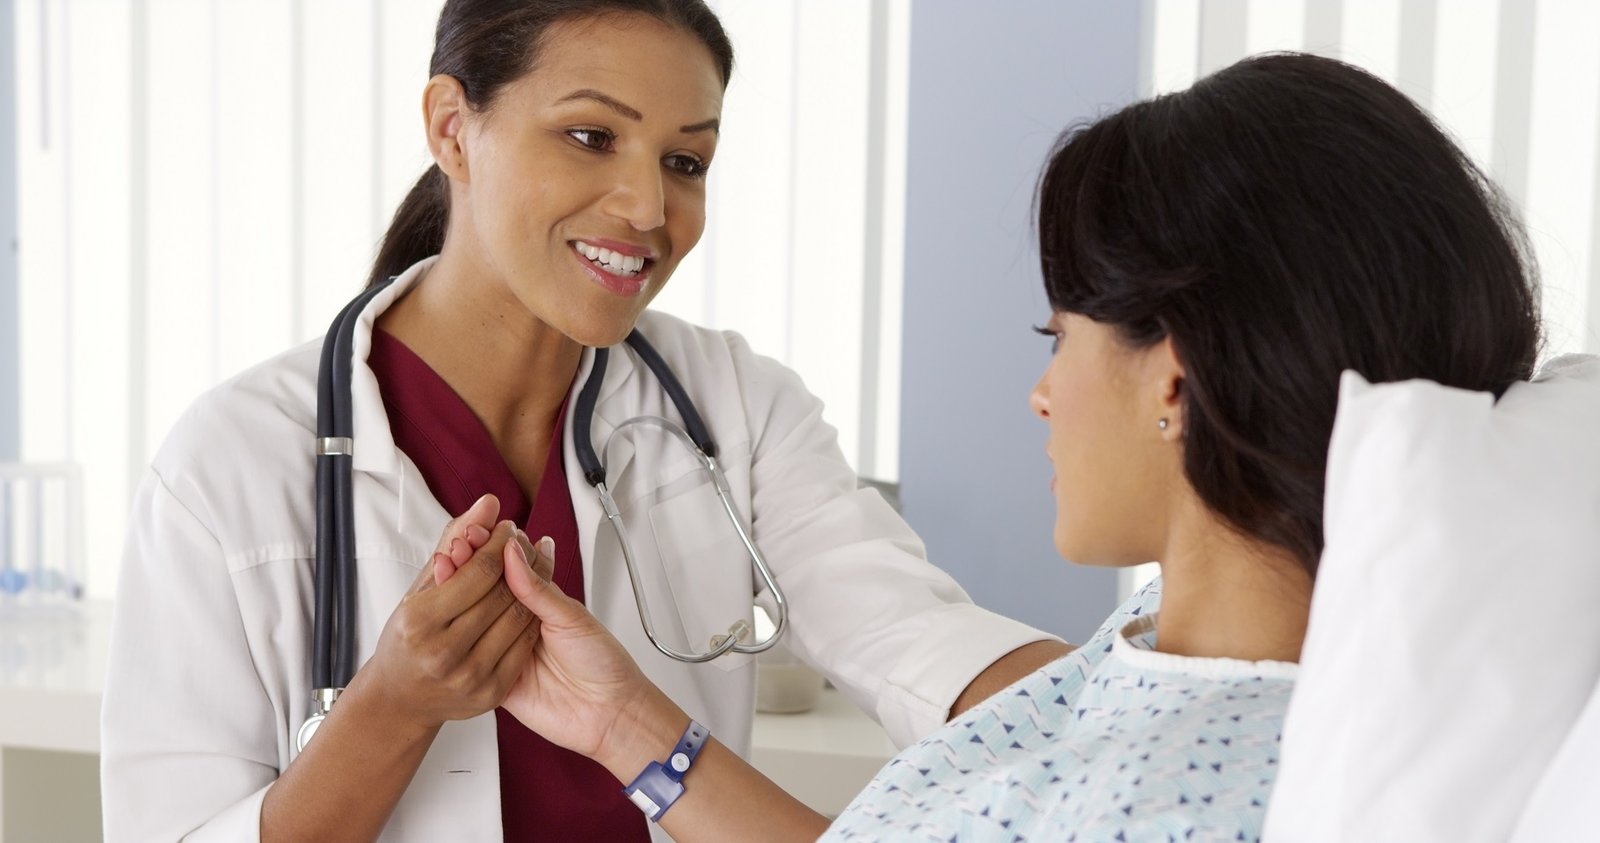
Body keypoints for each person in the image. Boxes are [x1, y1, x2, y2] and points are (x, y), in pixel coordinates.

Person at [456, 52, 1543, 840]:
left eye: (1056, 336)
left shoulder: (1193, 787)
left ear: (1173, 376)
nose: (1038, 393)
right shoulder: (1163, 650)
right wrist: (621, 724)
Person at [97, 2, 1068, 840]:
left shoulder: (734, 407)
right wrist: (391, 706)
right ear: (450, 126)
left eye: (685, 160)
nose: (648, 206)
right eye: (591, 137)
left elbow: (928, 647)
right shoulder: (228, 468)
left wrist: (1152, 702)